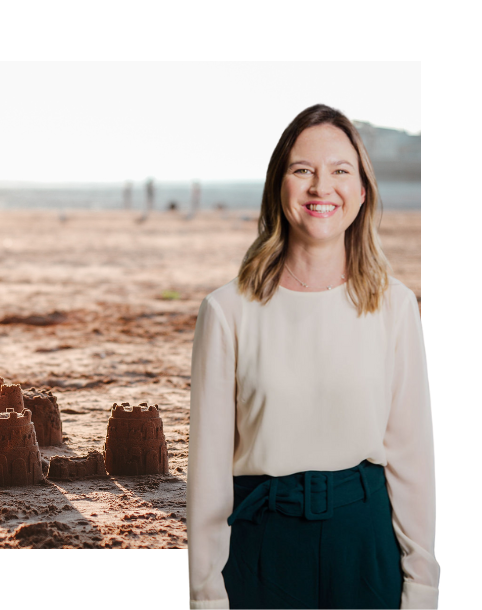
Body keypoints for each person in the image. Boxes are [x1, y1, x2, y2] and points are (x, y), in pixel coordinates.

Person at [187, 104, 438, 609]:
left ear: (362, 191)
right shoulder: (226, 310)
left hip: (365, 547)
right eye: (303, 170)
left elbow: (412, 460)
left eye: (340, 171)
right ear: (279, 187)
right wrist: (206, 595)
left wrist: (423, 587)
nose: (322, 188)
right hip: (262, 546)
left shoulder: (395, 306)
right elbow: (209, 473)